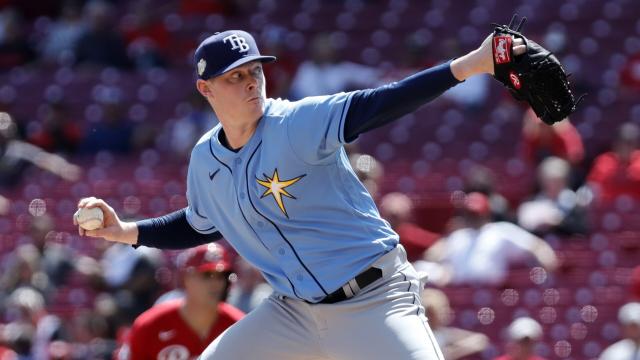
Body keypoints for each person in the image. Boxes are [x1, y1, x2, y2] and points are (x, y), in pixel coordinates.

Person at [75, 29, 526, 359]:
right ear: (205, 88)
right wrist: (125, 231)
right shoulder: (204, 159)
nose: (252, 81)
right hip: (291, 313)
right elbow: (198, 223)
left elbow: (380, 103)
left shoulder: (297, 122)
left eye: (255, 71)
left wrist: (473, 64)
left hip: (374, 300)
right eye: (235, 77)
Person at [117, 244, 243, 359]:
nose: (216, 284)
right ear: (186, 278)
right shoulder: (150, 325)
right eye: (207, 275)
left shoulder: (238, 326)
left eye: (222, 276)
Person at [422, 192, 558, 286]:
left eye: (476, 214)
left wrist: (548, 264)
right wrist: (448, 235)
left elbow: (536, 245)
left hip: (493, 292)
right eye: (470, 214)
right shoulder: (458, 236)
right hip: (461, 289)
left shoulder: (500, 230)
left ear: (486, 213)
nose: (473, 218)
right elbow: (431, 257)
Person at [421, 288, 488, 360]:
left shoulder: (443, 333)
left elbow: (480, 340)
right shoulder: (419, 334)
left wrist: (453, 350)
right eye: (441, 310)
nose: (447, 312)